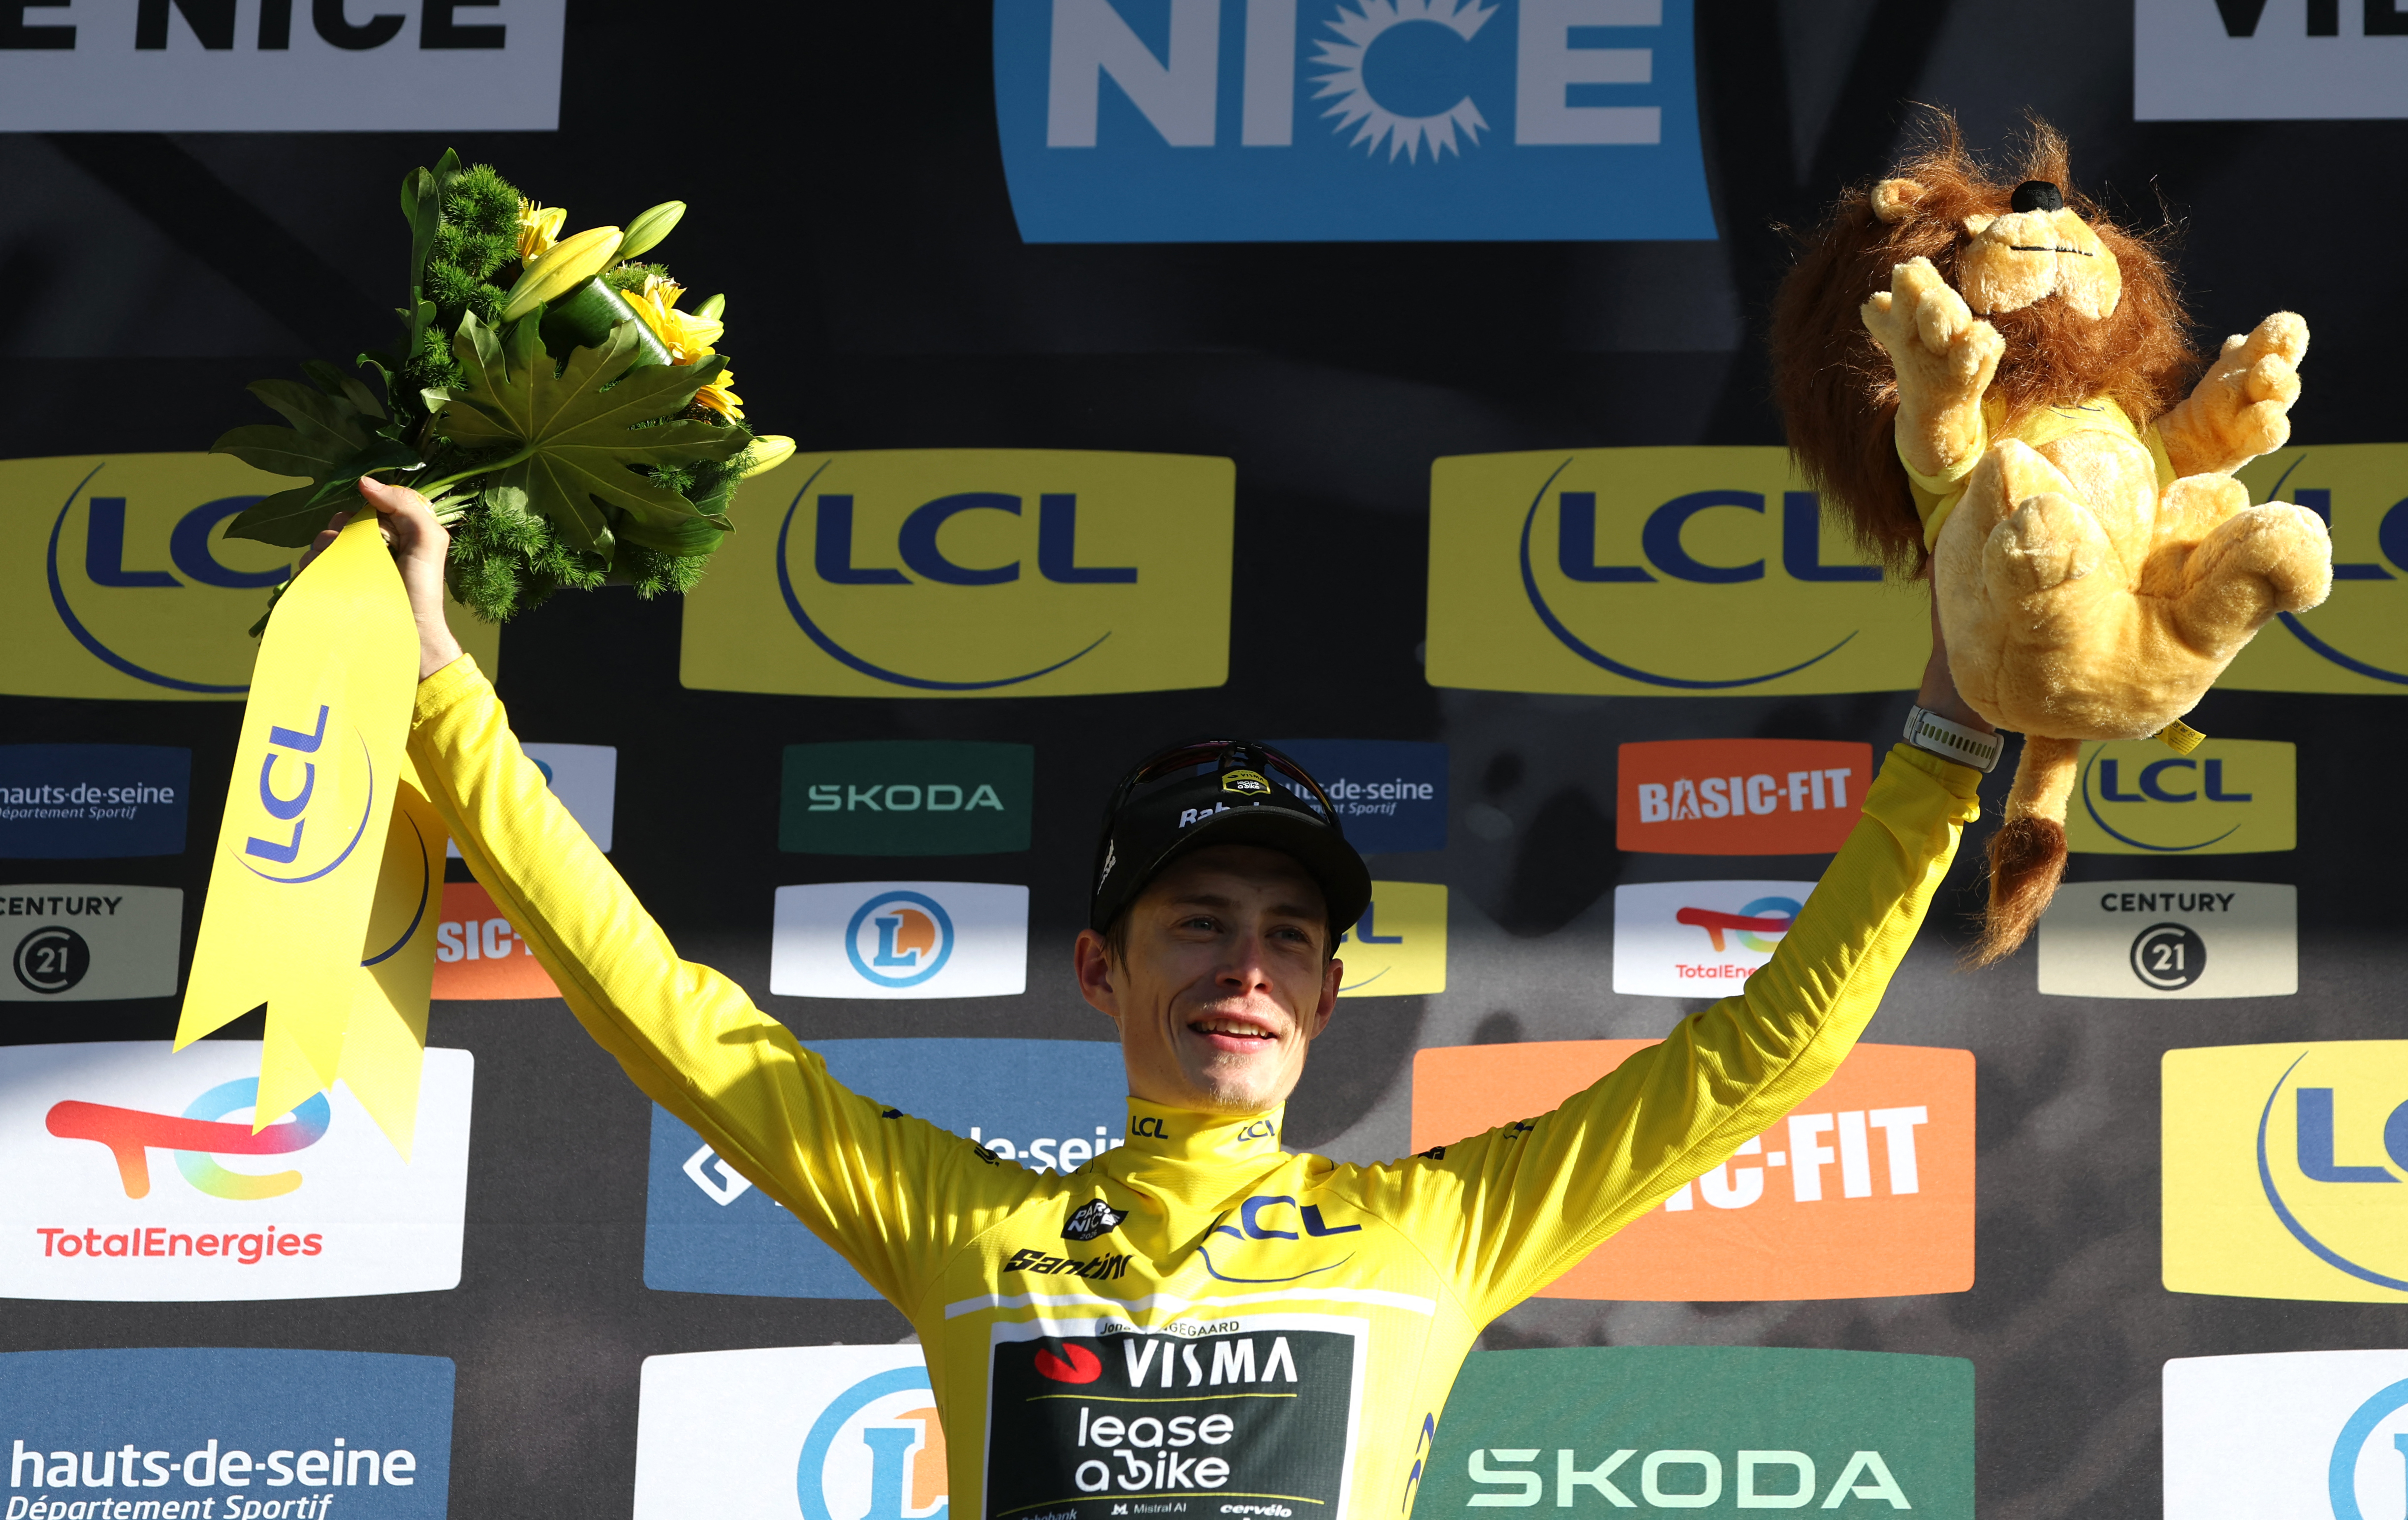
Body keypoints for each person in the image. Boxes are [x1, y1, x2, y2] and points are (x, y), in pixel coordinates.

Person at [325, 473, 1990, 1520]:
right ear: (1100, 969)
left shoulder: (1440, 1227)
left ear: (1328, 998)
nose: (1243, 967)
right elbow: (658, 1007)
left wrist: (1945, 738)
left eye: (1285, 937)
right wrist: (441, 687)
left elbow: (1759, 1054)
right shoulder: (966, 1228)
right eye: (1197, 924)